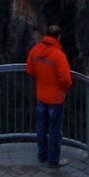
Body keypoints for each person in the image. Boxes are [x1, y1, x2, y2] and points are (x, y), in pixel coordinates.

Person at [25, 24, 73, 168]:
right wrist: (63, 89)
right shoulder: (58, 56)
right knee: (54, 131)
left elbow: (30, 70)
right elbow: (66, 80)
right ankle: (53, 160)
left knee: (41, 128)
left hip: (41, 97)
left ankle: (42, 155)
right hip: (56, 99)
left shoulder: (35, 51)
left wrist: (41, 80)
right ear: (58, 37)